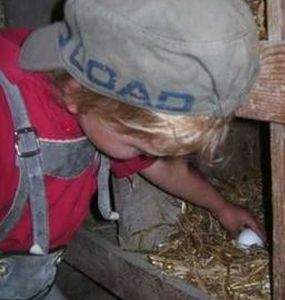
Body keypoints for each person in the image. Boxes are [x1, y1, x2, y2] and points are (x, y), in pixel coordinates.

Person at [0, 0, 264, 299]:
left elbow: (159, 166)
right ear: (76, 93)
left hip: (33, 277)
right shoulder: (6, 118)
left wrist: (220, 207)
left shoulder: (99, 105)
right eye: (138, 145)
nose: (148, 156)